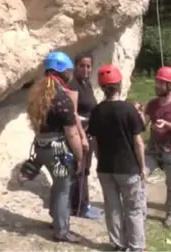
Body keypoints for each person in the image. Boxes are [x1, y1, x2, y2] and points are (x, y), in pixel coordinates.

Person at [20, 51, 84, 243]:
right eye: (68, 71)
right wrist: (80, 156)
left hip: (41, 146)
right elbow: (71, 133)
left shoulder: (38, 94)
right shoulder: (62, 98)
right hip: (57, 149)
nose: (71, 74)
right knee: (64, 187)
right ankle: (61, 231)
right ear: (61, 71)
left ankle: (56, 217)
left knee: (58, 184)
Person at [88, 64, 146, 252]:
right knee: (133, 209)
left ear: (102, 87)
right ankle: (136, 247)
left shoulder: (96, 111)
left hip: (105, 168)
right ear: (119, 85)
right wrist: (142, 166)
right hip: (128, 168)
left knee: (112, 208)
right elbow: (138, 142)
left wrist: (99, 159)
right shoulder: (129, 110)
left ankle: (119, 244)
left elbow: (94, 142)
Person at [144, 66, 171, 228]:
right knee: (140, 175)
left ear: (170, 86)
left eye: (161, 83)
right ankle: (140, 209)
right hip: (153, 148)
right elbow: (143, 123)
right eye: (157, 82)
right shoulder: (152, 104)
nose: (157, 85)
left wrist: (166, 125)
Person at [68, 53, 103, 219]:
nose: (86, 69)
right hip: (80, 132)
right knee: (80, 169)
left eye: (89, 66)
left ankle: (84, 204)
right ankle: (79, 207)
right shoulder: (74, 85)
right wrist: (82, 135)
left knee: (85, 169)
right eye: (82, 65)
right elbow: (73, 113)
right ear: (76, 66)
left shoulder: (86, 84)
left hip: (90, 131)